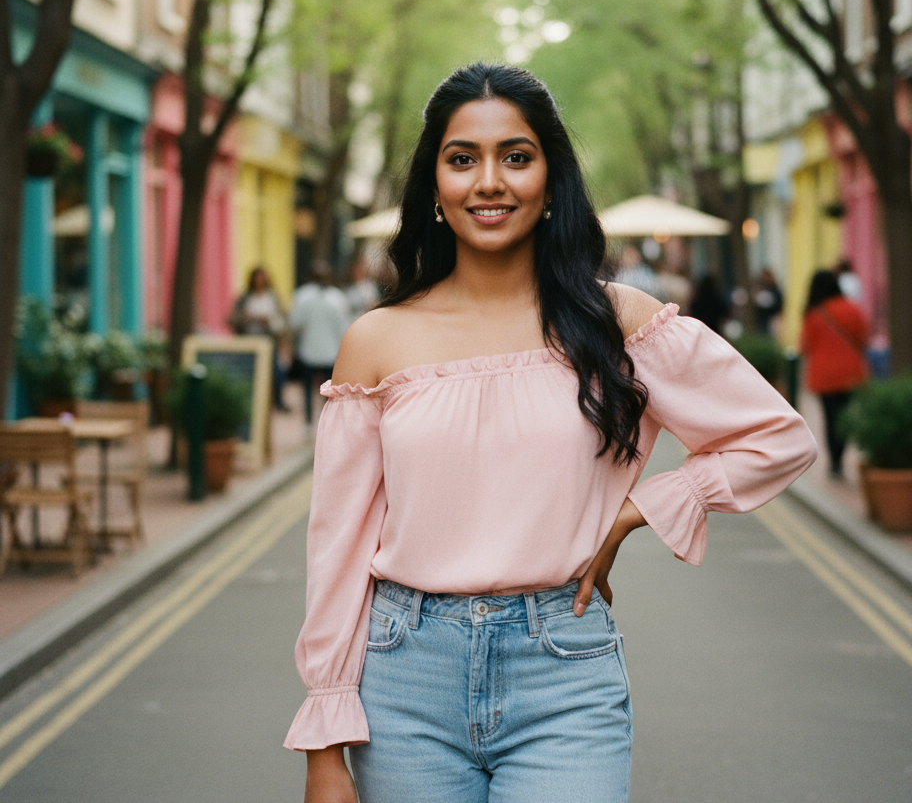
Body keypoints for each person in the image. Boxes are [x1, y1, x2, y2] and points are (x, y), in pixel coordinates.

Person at [285, 63, 817, 803]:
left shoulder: (616, 322)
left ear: (549, 176)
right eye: (462, 158)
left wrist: (646, 506)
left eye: (517, 156)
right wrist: (324, 744)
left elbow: (778, 436)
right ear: (434, 185)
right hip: (403, 676)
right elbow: (336, 547)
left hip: (564, 669)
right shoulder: (376, 341)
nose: (490, 181)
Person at [800, 269, 869, 478]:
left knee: (830, 418)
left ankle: (835, 463)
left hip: (824, 375)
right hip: (850, 373)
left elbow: (805, 346)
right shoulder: (852, 309)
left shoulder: (814, 313)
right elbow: (863, 338)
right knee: (845, 417)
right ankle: (840, 455)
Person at [287, 263, 350, 427]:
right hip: (328, 352)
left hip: (312, 351)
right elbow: (344, 328)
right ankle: (325, 423)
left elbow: (295, 324)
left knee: (312, 390)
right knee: (327, 391)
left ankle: (311, 423)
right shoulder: (338, 298)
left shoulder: (302, 296)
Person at [228, 266, 288, 410]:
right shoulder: (245, 297)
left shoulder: (272, 297)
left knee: (276, 372)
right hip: (249, 340)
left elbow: (281, 320)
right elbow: (233, 318)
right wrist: (249, 318)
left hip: (268, 340)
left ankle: (276, 401)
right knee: (249, 372)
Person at [753, 267, 783, 336]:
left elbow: (779, 305)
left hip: (771, 318)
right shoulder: (759, 288)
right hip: (761, 318)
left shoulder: (775, 290)